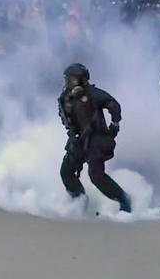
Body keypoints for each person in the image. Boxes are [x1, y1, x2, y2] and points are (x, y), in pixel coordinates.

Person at [57, 63, 132, 213]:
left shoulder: (92, 93)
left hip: (96, 140)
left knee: (96, 176)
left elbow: (113, 105)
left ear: (79, 80)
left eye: (70, 79)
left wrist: (115, 124)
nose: (67, 82)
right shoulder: (65, 98)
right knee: (66, 172)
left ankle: (124, 200)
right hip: (77, 140)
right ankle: (78, 200)